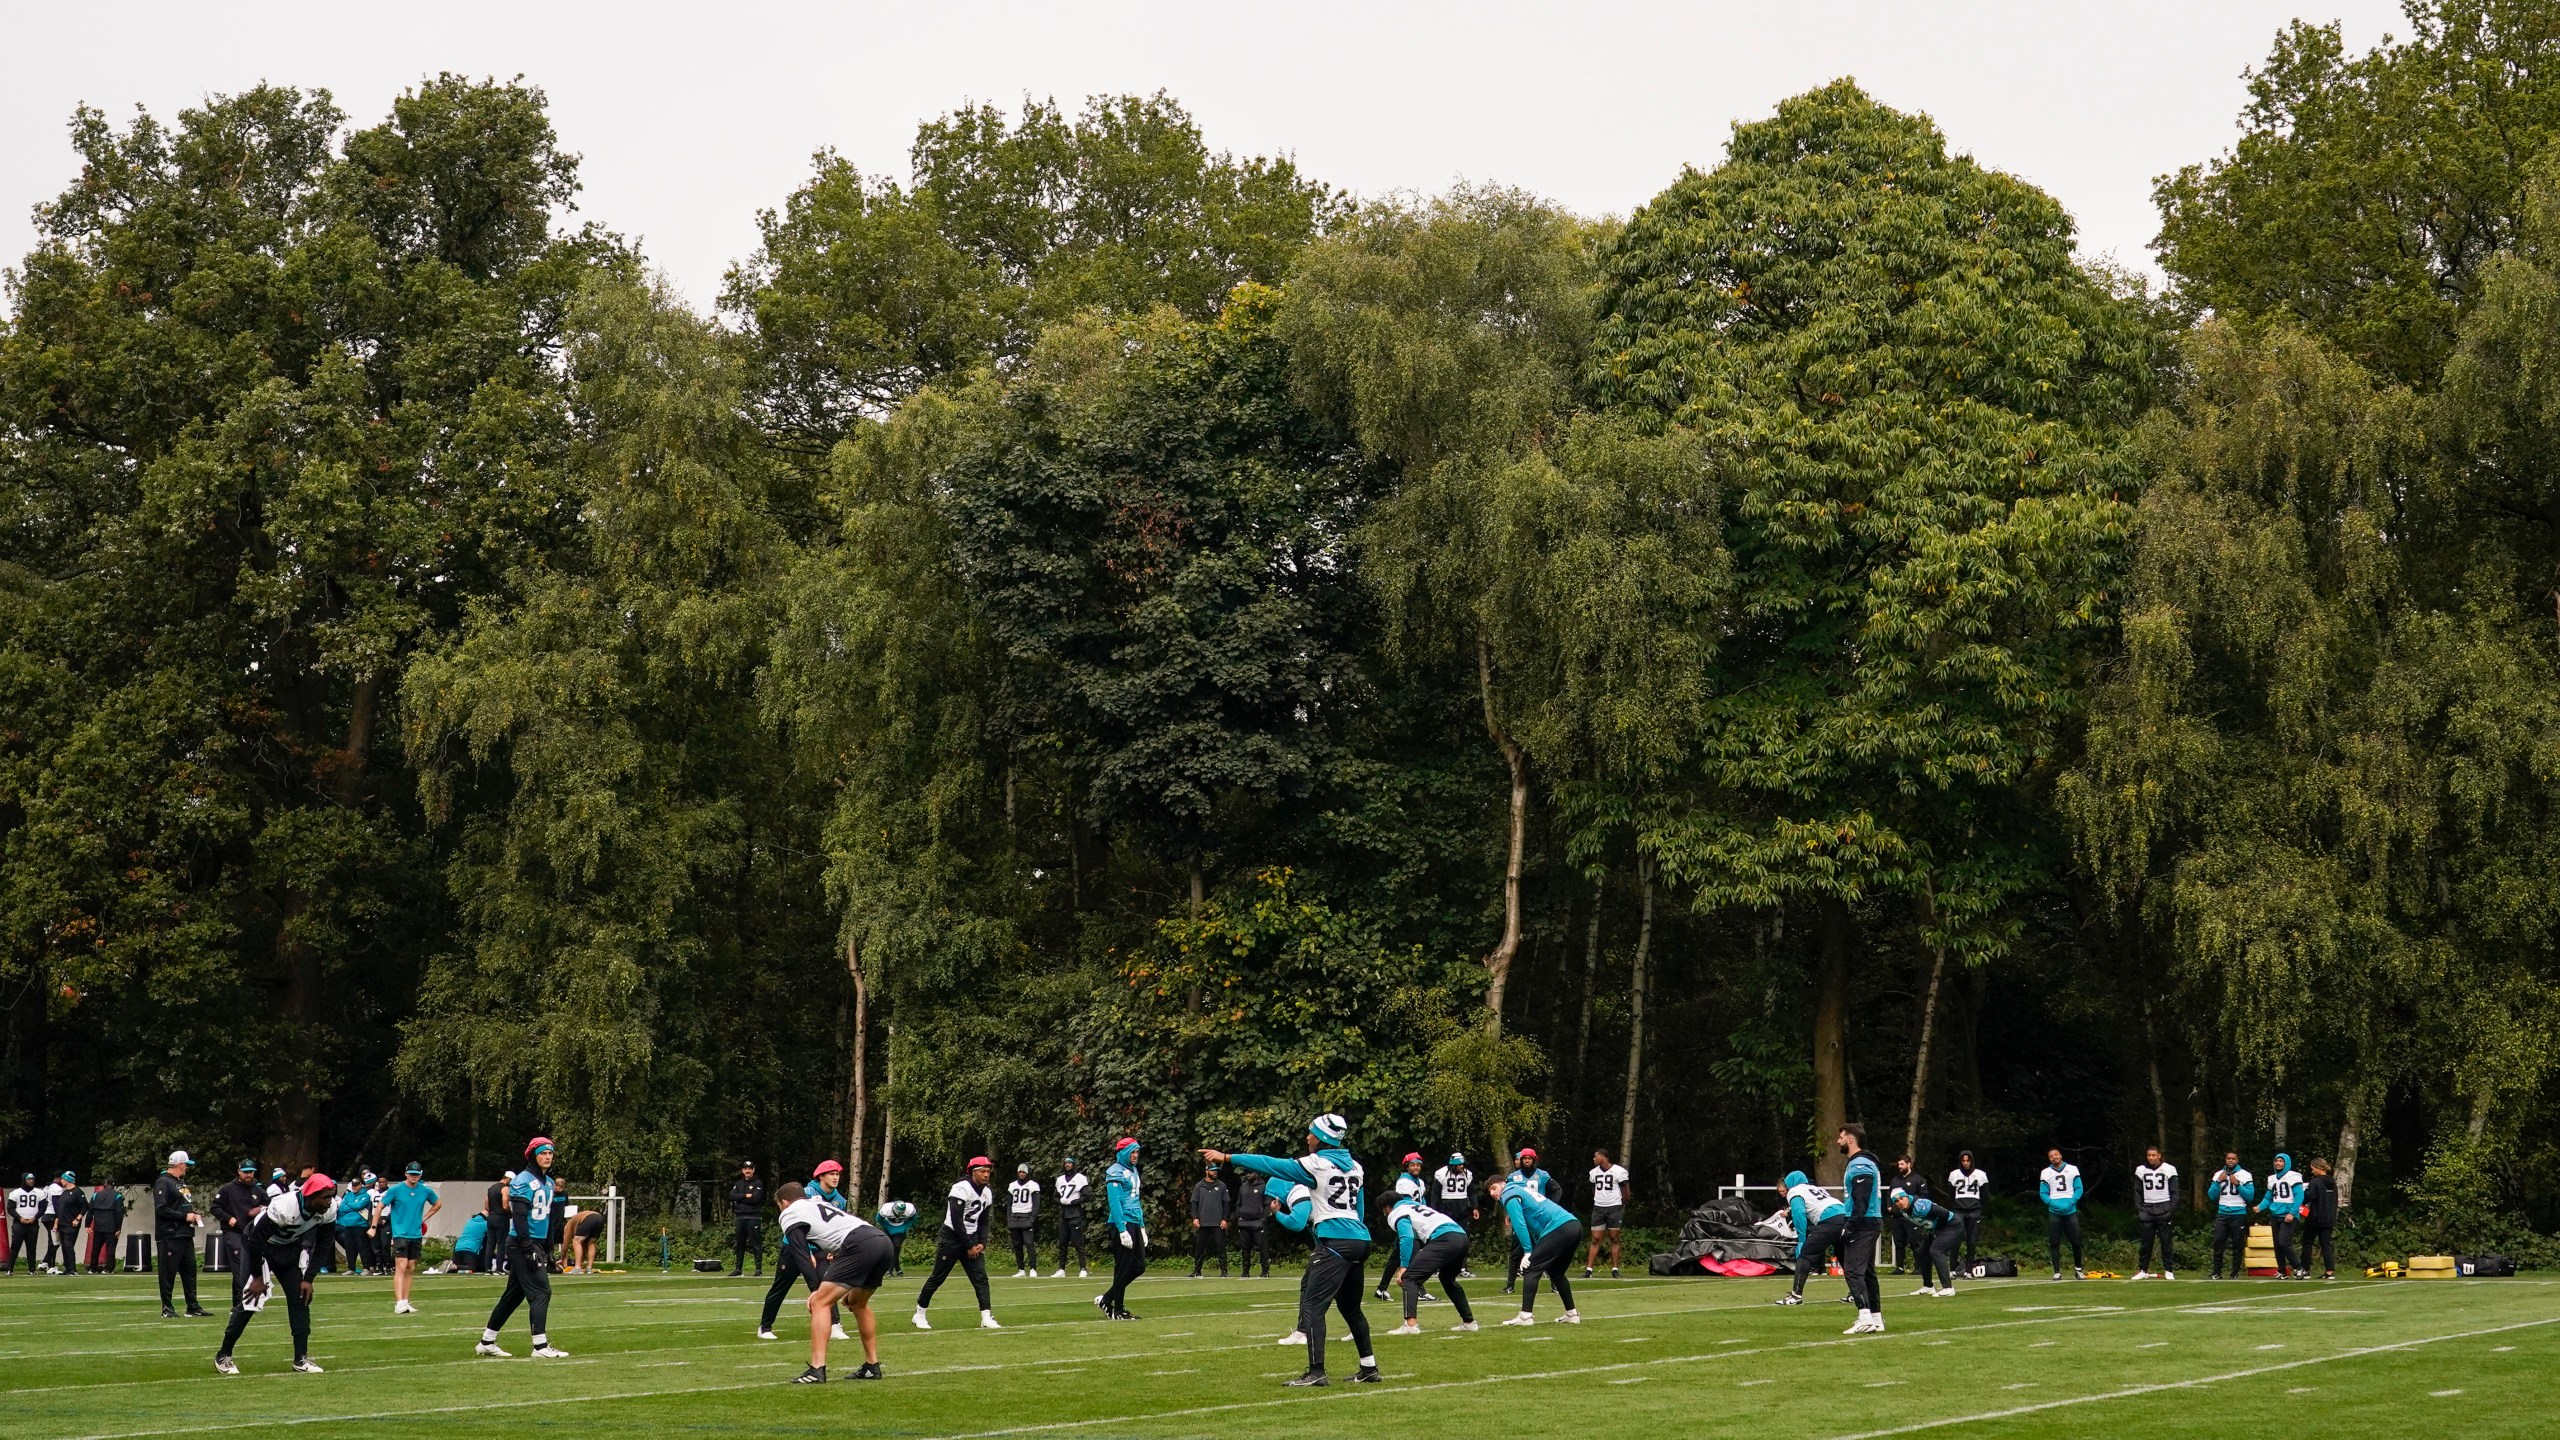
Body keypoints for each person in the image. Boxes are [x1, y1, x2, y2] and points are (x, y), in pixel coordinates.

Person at [1206, 1113, 1380, 1387]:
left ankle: (1316, 1372)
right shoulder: (1356, 1167)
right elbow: (1358, 1207)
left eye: (1311, 1133)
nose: (1307, 1138)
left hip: (1335, 1240)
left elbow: (1270, 1164)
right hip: (1360, 1239)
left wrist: (1228, 1157)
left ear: (1321, 1137)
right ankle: (1369, 1367)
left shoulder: (1317, 1164)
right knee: (1351, 1308)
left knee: (1312, 1306)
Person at [213, 1172, 338, 1375]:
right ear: (310, 1195)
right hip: (259, 1247)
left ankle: (301, 1358)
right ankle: (223, 1354)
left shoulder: (329, 1209)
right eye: (324, 1197)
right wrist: (258, 1277)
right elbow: (255, 1241)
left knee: (300, 1297)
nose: (328, 1202)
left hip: (288, 1248)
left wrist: (309, 1278)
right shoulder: (285, 1206)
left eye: (330, 1196)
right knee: (251, 1301)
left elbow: (324, 1244)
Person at [776, 1180, 894, 1383]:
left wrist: (815, 1290)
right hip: (882, 1240)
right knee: (857, 1302)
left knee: (820, 1302)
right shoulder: (816, 1202)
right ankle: (871, 1365)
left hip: (859, 1244)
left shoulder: (790, 1212)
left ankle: (817, 1369)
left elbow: (801, 1254)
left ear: (784, 1202)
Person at [474, 1136, 569, 1359]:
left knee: (513, 1295)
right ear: (533, 1155)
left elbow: (546, 1218)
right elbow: (519, 1215)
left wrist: (548, 1248)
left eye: (550, 1153)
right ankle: (540, 1346)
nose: (547, 1157)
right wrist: (528, 1245)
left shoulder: (548, 1182)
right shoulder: (523, 1180)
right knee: (542, 1291)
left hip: (535, 1241)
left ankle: (487, 1341)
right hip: (521, 1242)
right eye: (543, 1153)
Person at [912, 1157, 999, 1330]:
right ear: (972, 1172)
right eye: (982, 1171)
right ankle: (919, 1313)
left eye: (988, 1171)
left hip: (972, 1239)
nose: (986, 1174)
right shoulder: (961, 1188)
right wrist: (969, 1245)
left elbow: (983, 1220)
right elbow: (956, 1219)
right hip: (952, 1237)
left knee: (981, 1278)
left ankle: (986, 1316)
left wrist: (982, 1241)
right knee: (938, 1277)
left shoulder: (987, 1193)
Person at [1488, 1170, 1583, 1326]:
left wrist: (1527, 1251)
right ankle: (1572, 1314)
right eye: (1490, 1191)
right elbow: (1536, 1228)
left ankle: (1525, 1316)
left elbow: (1519, 1224)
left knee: (1531, 1268)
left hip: (1559, 1227)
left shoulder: (1509, 1192)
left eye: (1494, 1188)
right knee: (1556, 1273)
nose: (1492, 1193)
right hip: (1573, 1225)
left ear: (1503, 1183)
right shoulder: (1520, 1189)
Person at [1383, 1192, 1476, 1335]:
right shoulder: (1415, 1205)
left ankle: (1410, 1325)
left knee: (1409, 1277)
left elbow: (1406, 1237)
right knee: (1447, 1279)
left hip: (1445, 1238)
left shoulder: (1397, 1212)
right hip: (1461, 1236)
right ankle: (1469, 1322)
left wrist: (1404, 1266)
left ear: (1387, 1207)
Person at [1774, 1168, 1848, 1306]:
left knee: (1805, 1254)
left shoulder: (1794, 1192)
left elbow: (1799, 1213)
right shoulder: (1814, 1188)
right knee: (1845, 1256)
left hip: (1829, 1219)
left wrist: (1802, 1240)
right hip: (1844, 1215)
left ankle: (1796, 1295)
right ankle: (1857, 1293)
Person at [1839, 1124, 1886, 1334]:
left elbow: (1861, 1199)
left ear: (1850, 1139)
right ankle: (1876, 1318)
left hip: (1863, 1222)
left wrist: (1851, 1226)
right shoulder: (1862, 1163)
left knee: (1852, 1269)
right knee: (1867, 1271)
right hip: (1869, 1221)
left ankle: (1864, 1315)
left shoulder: (1860, 1164)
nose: (1837, 1141)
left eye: (1841, 1137)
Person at [155, 1150, 209, 1317]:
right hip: (170, 1234)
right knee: (168, 1272)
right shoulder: (163, 1182)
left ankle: (192, 1306)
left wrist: (193, 1215)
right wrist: (185, 1217)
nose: (187, 1168)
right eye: (186, 1165)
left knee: (190, 1271)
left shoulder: (181, 1182)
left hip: (185, 1233)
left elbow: (181, 1205)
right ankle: (167, 1308)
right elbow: (161, 1208)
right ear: (179, 1165)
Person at [1098, 1137, 1147, 1319]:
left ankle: (1107, 1298)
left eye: (1137, 1152)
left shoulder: (1133, 1171)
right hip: (1122, 1222)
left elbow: (1135, 1200)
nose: (1135, 1155)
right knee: (1123, 1268)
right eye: (1132, 1152)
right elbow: (1115, 1202)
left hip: (1134, 1221)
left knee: (1139, 1266)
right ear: (1124, 1153)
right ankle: (1118, 1309)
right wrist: (1121, 1229)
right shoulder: (1115, 1171)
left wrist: (1141, 1226)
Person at [1500, 1147, 1557, 1294]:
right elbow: (1509, 1197)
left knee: (1547, 1252)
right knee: (1515, 1253)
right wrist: (1509, 1213)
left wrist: (1551, 1206)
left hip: (1538, 1219)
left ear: (1534, 1160)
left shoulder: (1542, 1176)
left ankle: (1555, 1284)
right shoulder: (1513, 1177)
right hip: (1521, 1218)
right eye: (1524, 1158)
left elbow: (1557, 1190)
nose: (1526, 1161)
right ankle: (1510, 1285)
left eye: (1529, 1158)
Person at [384, 1163, 439, 1311]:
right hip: (400, 1233)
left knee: (410, 1267)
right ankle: (399, 1302)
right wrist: (374, 1226)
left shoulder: (425, 1190)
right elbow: (380, 1207)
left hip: (416, 1233)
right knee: (401, 1266)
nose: (413, 1176)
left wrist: (425, 1217)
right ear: (406, 1174)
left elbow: (438, 1203)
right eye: (411, 1173)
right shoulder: (396, 1189)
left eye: (416, 1174)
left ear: (420, 1174)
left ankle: (406, 1300)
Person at [1890, 1188, 1964, 1296]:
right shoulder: (1901, 1211)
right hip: (1936, 1229)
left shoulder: (1920, 1205)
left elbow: (1944, 1214)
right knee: (1921, 1253)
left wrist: (1936, 1231)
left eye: (1901, 1198)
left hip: (1951, 1225)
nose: (1900, 1202)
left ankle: (1948, 1288)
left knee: (1936, 1251)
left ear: (1906, 1196)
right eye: (1896, 1201)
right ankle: (1928, 1286)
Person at [213, 1160, 264, 1301]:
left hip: (253, 1234)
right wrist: (228, 1218)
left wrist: (260, 1209)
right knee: (240, 1267)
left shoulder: (258, 1190)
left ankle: (251, 1299)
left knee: (253, 1265)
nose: (249, 1175)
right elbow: (215, 1207)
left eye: (251, 1172)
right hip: (234, 1232)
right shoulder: (227, 1189)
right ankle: (238, 1302)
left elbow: (270, 1205)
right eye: (246, 1172)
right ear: (239, 1172)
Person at [2131, 1145, 2180, 1280]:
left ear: (2159, 1155)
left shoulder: (2169, 1169)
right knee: (2146, 1242)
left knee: (2166, 1241)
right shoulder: (2141, 1170)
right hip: (2147, 1208)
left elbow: (2175, 1191)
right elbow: (2137, 1191)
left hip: (2164, 1206)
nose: (2151, 1158)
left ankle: (2169, 1270)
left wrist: (2171, 1209)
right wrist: (2140, 1208)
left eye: (2154, 1155)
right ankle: (2143, 1269)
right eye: (2149, 1155)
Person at [2037, 1146, 2086, 1281]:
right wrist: (2053, 1204)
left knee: (2075, 1241)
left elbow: (2079, 1188)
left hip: (2070, 1209)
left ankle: (2078, 1269)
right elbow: (2043, 1193)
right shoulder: (2046, 1173)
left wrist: (2071, 1202)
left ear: (2061, 1155)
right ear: (2049, 1159)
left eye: (2056, 1155)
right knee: (2054, 1241)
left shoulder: (2072, 1169)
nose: (2054, 1157)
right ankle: (2057, 1271)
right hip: (2055, 1210)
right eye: (2051, 1156)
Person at [2207, 1151, 2255, 1280]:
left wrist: (2238, 1184)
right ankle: (2217, 1272)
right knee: (2218, 1243)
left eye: (2233, 1158)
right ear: (2225, 1160)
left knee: (2237, 1244)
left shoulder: (2245, 1175)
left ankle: (2234, 1273)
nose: (2231, 1161)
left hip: (2238, 1213)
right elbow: (2211, 1196)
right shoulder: (2219, 1174)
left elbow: (2250, 1196)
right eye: (2228, 1158)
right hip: (2222, 1213)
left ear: (2237, 1160)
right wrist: (2218, 1182)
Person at [2257, 1152, 2306, 1279]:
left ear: (2286, 1163)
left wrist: (2292, 1212)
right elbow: (2268, 1197)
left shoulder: (2293, 1176)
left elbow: (2299, 1196)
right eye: (2276, 1161)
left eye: (2281, 1161)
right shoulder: (2272, 1178)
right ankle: (2282, 1270)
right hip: (2275, 1213)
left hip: (2288, 1214)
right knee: (2277, 1244)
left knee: (2284, 1242)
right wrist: (2260, 1207)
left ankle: (2299, 1267)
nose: (2278, 1163)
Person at [1583, 1147, 1629, 1279]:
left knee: (1614, 1237)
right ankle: (1589, 1269)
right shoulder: (1593, 1173)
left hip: (1614, 1207)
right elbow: (1594, 1188)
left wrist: (1622, 1202)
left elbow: (1625, 1189)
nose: (1594, 1159)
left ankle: (1614, 1269)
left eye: (1595, 1156)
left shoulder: (1618, 1171)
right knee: (1595, 1238)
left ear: (1603, 1156)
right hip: (1599, 1207)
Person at [1433, 1152, 1477, 1276]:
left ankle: (1462, 1267)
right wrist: (1434, 1210)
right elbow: (1435, 1193)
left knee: (1464, 1239)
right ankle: (1439, 1266)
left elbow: (1471, 1192)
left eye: (1462, 1164)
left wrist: (1475, 1207)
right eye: (1459, 1165)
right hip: (1446, 1208)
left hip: (1462, 1208)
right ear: (1452, 1165)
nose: (1461, 1167)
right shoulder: (1441, 1174)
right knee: (1443, 1238)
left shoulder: (1468, 1174)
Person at [1945, 1149, 1988, 1269]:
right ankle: (1953, 1269)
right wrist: (1954, 1208)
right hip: (1959, 1210)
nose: (1966, 1163)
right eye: (1963, 1161)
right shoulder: (1954, 1174)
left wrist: (1980, 1209)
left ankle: (1969, 1270)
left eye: (1968, 1160)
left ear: (1972, 1161)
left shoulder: (1980, 1175)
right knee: (1955, 1239)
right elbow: (1951, 1194)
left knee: (1972, 1241)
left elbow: (1985, 1194)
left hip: (1974, 1210)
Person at [1885, 1156, 1928, 1274]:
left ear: (1909, 1164)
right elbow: (1889, 1194)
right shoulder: (1895, 1180)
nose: (1900, 1166)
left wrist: (1915, 1208)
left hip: (1912, 1217)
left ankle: (1918, 1267)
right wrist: (1889, 1207)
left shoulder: (1919, 1179)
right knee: (1899, 1243)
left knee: (1915, 1242)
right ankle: (1899, 1267)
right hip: (1897, 1217)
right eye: (1899, 1164)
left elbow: (1924, 1196)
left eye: (1902, 1164)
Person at [2299, 1158, 2340, 1280]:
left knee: (2307, 1242)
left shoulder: (2315, 1182)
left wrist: (2302, 1194)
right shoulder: (2332, 1181)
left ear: (2318, 1168)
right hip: (2329, 1217)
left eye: (2313, 1169)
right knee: (2326, 1244)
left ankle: (2305, 1270)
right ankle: (2330, 1271)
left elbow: (2308, 1196)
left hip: (2315, 1217)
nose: (2312, 1171)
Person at [1053, 1156, 1091, 1279]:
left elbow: (1087, 1196)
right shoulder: (1060, 1180)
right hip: (1064, 1214)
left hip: (1075, 1213)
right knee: (1063, 1242)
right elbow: (1054, 1196)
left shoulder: (1080, 1179)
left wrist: (1073, 1202)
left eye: (1070, 1163)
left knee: (1078, 1242)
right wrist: (1061, 1201)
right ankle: (1061, 1268)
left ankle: (1083, 1268)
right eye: (1066, 1163)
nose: (1067, 1165)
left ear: (1074, 1164)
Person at [1188, 1162, 1229, 1278]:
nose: (1215, 1172)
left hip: (1218, 1222)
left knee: (1221, 1247)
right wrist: (1195, 1218)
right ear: (1206, 1171)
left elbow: (1226, 1204)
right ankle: (1197, 1271)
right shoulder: (1199, 1186)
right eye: (1212, 1170)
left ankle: (1224, 1271)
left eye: (1216, 1170)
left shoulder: (1222, 1186)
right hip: (1203, 1222)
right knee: (1200, 1248)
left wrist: (1225, 1219)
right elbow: (1194, 1204)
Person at [728, 1160, 768, 1278]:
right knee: (740, 1243)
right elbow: (731, 1196)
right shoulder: (739, 1183)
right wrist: (745, 1195)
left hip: (753, 1217)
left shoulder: (758, 1183)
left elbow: (755, 1199)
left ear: (753, 1170)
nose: (747, 1171)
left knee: (756, 1243)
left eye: (749, 1168)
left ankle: (758, 1269)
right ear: (742, 1170)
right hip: (740, 1217)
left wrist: (740, 1199)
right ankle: (738, 1269)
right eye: (745, 1169)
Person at [330, 1170, 370, 1277]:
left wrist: (351, 1206)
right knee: (350, 1247)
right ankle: (351, 1268)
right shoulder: (348, 1195)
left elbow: (360, 1205)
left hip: (360, 1225)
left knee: (362, 1247)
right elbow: (342, 1208)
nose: (354, 1187)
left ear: (361, 1185)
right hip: (348, 1225)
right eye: (353, 1185)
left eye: (356, 1185)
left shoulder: (366, 1195)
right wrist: (354, 1206)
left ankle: (366, 1267)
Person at [1234, 1167, 1272, 1276]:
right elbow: (1238, 1204)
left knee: (1262, 1248)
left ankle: (1265, 1271)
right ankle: (1245, 1272)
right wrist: (1239, 1216)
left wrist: (1263, 1219)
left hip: (1258, 1222)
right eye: (1246, 1173)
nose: (1248, 1175)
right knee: (1245, 1249)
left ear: (1256, 1173)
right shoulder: (1243, 1187)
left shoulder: (1264, 1187)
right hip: (1244, 1222)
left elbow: (1267, 1205)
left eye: (1250, 1172)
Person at [1007, 1163, 1042, 1277]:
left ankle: (1032, 1268)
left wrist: (1033, 1218)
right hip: (1015, 1216)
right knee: (1017, 1244)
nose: (1021, 1174)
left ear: (1027, 1173)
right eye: (1020, 1172)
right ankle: (1021, 1269)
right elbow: (1009, 1204)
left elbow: (1036, 1204)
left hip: (1026, 1215)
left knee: (1029, 1243)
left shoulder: (1033, 1185)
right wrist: (1009, 1219)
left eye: (1024, 1172)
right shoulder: (1012, 1185)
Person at [87, 1178, 126, 1272]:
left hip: (98, 1226)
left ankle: (93, 1268)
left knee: (95, 1248)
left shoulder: (96, 1195)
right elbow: (119, 1213)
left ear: (105, 1183)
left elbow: (90, 1211)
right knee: (111, 1249)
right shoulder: (117, 1196)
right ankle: (109, 1268)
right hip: (111, 1226)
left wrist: (87, 1225)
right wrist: (118, 1227)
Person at [875, 1199, 917, 1278]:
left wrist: (905, 1226)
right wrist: (888, 1227)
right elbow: (879, 1219)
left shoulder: (909, 1209)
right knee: (890, 1248)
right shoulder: (886, 1209)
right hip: (888, 1226)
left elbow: (914, 1219)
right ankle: (898, 1270)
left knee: (896, 1246)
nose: (899, 1214)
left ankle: (889, 1270)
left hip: (901, 1227)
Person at [7, 1173, 39, 1274]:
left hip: (32, 1223)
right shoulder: (15, 1193)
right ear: (24, 1180)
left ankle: (32, 1269)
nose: (31, 1181)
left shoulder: (39, 1192)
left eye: (32, 1179)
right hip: (19, 1223)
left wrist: (35, 1217)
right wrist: (19, 1217)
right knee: (15, 1246)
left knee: (32, 1247)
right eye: (29, 1179)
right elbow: (10, 1208)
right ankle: (10, 1269)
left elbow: (42, 1207)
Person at [568, 1208, 607, 1273]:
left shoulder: (570, 1222)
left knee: (576, 1241)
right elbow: (583, 1245)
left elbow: (565, 1243)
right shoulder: (582, 1215)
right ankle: (589, 1267)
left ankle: (577, 1267)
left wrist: (563, 1259)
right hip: (600, 1218)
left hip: (590, 1219)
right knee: (591, 1243)